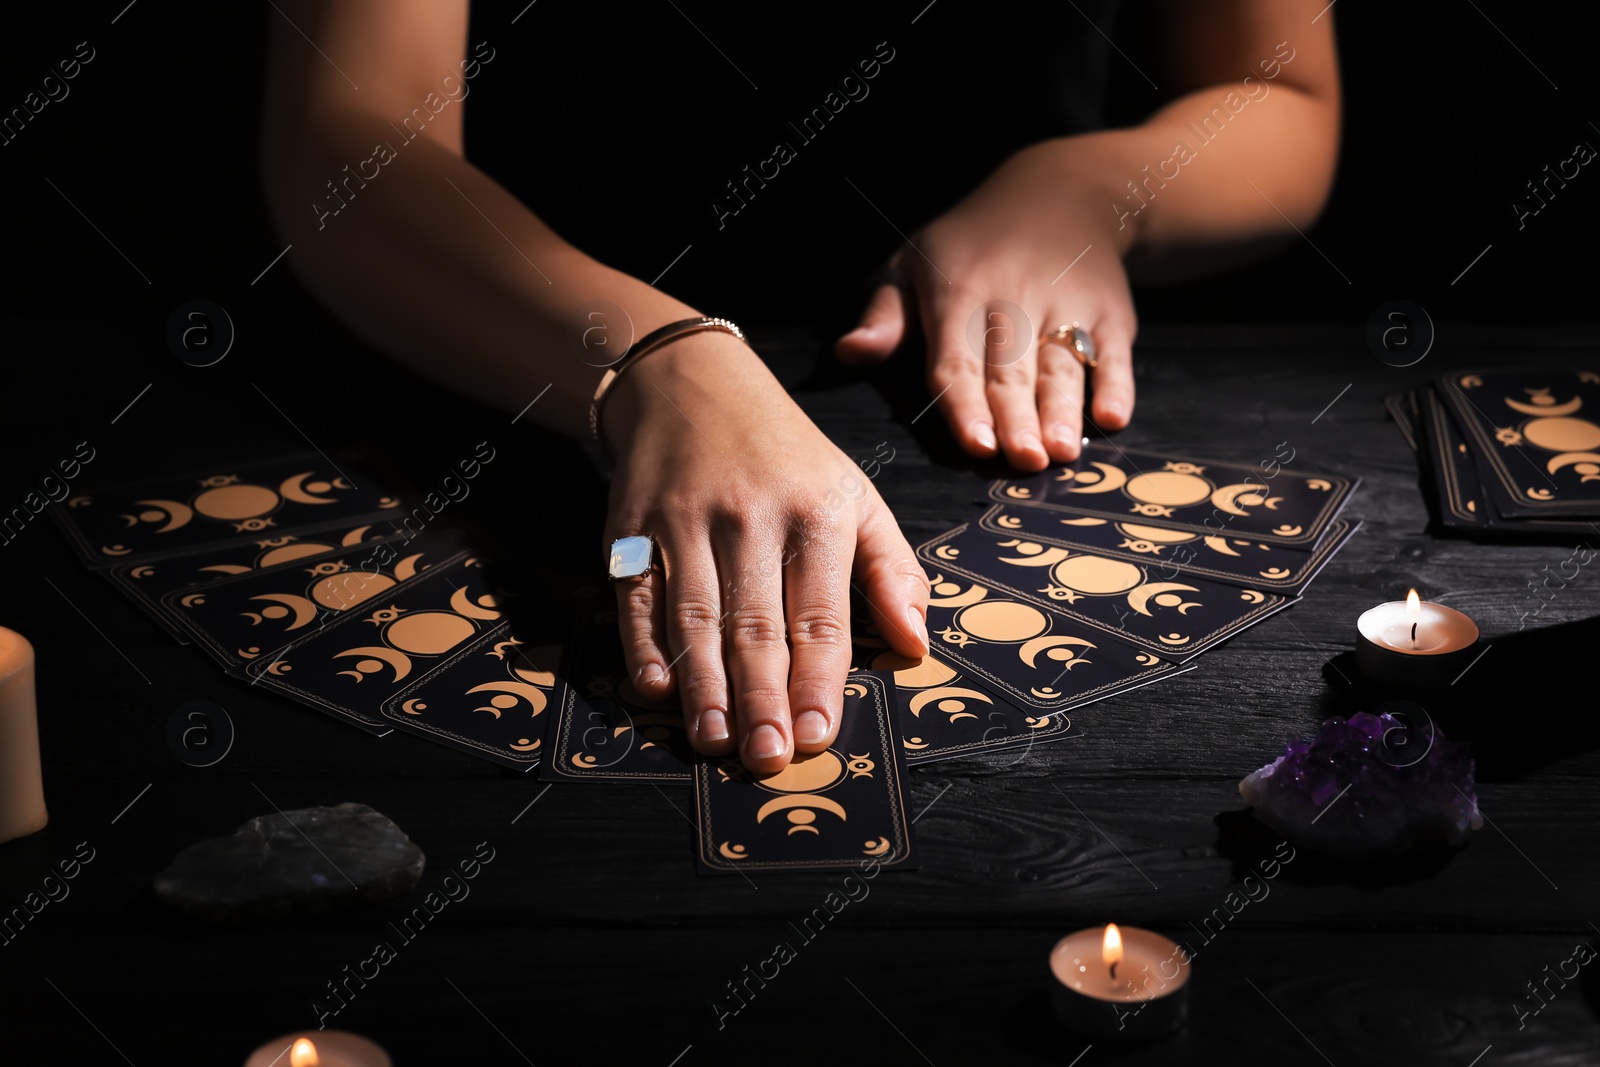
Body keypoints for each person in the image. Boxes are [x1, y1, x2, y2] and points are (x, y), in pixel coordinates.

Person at [260, 0, 1340, 774]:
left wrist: (1091, 192)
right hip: (487, 350)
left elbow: (1280, 90)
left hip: (968, 361)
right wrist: (649, 356)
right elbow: (352, 148)